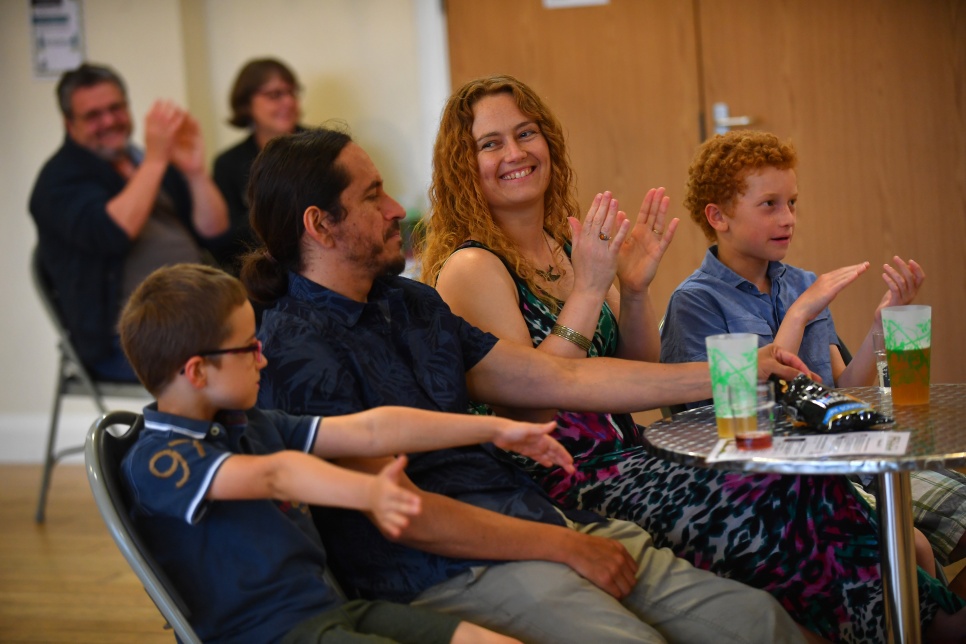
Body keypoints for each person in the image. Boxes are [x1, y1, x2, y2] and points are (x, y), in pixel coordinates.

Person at [417, 75, 966, 642]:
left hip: (631, 455)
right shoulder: (472, 267)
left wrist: (633, 290)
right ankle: (919, 623)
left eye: (526, 133)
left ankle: (917, 618)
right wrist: (589, 291)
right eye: (491, 143)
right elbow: (533, 402)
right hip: (563, 482)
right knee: (775, 493)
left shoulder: (564, 245)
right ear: (463, 165)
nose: (515, 153)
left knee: (806, 487)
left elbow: (637, 362)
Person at [241, 127, 813, 644]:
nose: (396, 209)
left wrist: (741, 368)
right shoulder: (293, 347)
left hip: (531, 518)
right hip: (444, 569)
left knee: (759, 622)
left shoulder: (408, 302)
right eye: (373, 196)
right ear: (320, 225)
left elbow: (559, 376)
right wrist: (566, 545)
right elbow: (405, 513)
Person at [117, 262, 583, 643]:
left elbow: (374, 429)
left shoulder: (249, 423)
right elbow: (277, 474)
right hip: (269, 634)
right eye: (248, 348)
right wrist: (369, 492)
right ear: (197, 372)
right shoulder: (158, 460)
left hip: (329, 610)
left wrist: (496, 428)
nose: (263, 357)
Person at [662, 129, 966, 598]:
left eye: (792, 203)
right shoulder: (696, 302)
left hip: (849, 457)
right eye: (769, 205)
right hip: (778, 478)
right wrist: (800, 314)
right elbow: (738, 420)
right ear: (718, 216)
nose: (788, 218)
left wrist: (880, 326)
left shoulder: (800, 282)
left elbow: (844, 389)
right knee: (914, 549)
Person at [29, 62, 229, 382]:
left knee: (283, 342)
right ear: (69, 124)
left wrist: (195, 173)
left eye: (116, 108)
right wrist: (156, 160)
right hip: (127, 339)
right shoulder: (58, 181)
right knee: (236, 371)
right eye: (93, 115)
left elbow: (215, 234)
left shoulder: (142, 161)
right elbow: (113, 233)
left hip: (200, 317)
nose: (109, 121)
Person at [212, 58, 303, 273]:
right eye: (275, 95)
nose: (289, 102)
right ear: (246, 104)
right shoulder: (227, 164)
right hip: (261, 273)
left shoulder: (324, 147)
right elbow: (228, 243)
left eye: (292, 93)